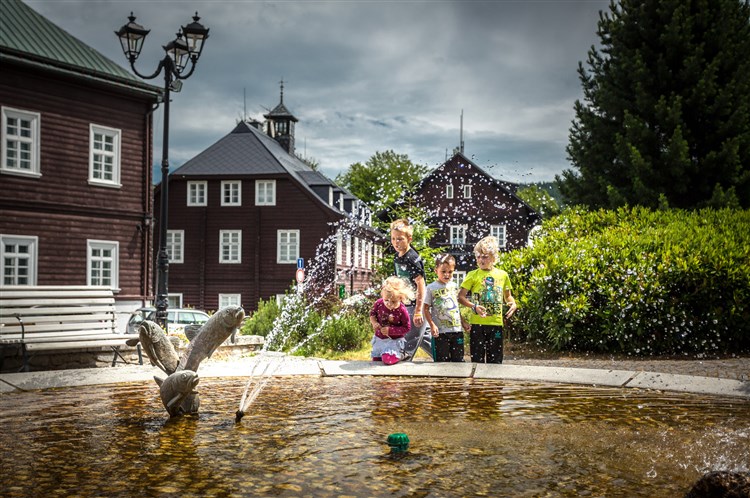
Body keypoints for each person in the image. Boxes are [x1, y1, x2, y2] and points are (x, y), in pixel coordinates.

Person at [458, 236, 517, 363]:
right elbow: (460, 297)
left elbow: (508, 296)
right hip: (477, 324)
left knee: (495, 361)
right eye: (478, 256)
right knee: (477, 361)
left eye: (485, 256)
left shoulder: (503, 275)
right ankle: (476, 383)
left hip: (496, 324)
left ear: (494, 257)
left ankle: (493, 383)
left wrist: (513, 303)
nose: (481, 260)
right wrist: (474, 307)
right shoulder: (472, 275)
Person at [390, 218, 431, 360]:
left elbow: (421, 284)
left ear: (409, 239)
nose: (396, 242)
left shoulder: (412, 258)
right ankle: (444, 356)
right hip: (406, 303)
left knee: (411, 334)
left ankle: (404, 358)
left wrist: (419, 310)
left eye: (400, 239)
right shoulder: (397, 257)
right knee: (423, 336)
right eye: (393, 239)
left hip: (417, 304)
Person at [424, 254, 469, 362]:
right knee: (442, 361)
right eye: (443, 271)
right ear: (436, 271)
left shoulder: (453, 286)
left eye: (450, 272)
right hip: (440, 332)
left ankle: (457, 379)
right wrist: (432, 325)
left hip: (456, 330)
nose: (447, 275)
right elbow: (425, 309)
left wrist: (463, 322)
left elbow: (456, 307)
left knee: (458, 360)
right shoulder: (430, 288)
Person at [370, 276, 414, 365]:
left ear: (401, 298)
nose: (389, 304)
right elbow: (372, 314)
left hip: (394, 341)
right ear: (382, 295)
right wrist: (374, 323)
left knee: (388, 360)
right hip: (379, 339)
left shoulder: (402, 310)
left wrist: (390, 330)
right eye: (386, 300)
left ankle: (401, 354)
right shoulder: (379, 303)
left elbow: (407, 327)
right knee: (376, 361)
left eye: (393, 301)